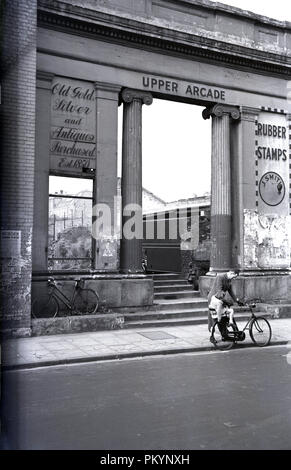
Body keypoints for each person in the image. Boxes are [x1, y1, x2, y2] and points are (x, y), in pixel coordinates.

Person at [207, 270, 243, 335]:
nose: (234, 279)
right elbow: (219, 290)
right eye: (234, 276)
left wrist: (237, 301)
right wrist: (225, 301)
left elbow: (231, 292)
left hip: (221, 298)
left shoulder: (229, 280)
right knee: (216, 316)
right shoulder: (220, 277)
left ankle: (226, 331)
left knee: (225, 314)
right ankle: (215, 331)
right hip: (214, 298)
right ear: (231, 273)